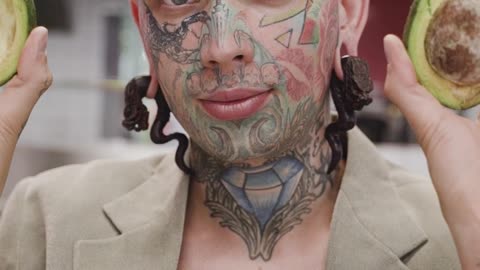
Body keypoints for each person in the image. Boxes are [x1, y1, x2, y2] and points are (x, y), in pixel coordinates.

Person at [0, 0, 479, 269]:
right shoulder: (47, 222)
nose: (222, 46)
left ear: (348, 13)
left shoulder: (458, 239)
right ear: (144, 32)